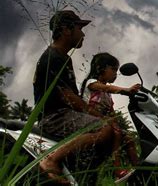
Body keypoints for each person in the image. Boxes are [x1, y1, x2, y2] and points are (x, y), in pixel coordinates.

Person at [33, 10, 117, 184]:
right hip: (54, 117)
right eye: (80, 28)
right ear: (66, 30)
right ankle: (51, 160)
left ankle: (81, 176)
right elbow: (68, 97)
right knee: (104, 128)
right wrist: (99, 116)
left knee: (111, 135)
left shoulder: (63, 58)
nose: (83, 34)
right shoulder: (53, 57)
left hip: (64, 115)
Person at [80, 52, 140, 178]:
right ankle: (116, 169)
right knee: (117, 132)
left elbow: (111, 111)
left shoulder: (107, 94)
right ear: (102, 68)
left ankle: (138, 168)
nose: (115, 73)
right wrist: (126, 90)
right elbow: (105, 88)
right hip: (88, 120)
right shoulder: (91, 82)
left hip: (103, 122)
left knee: (128, 138)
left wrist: (115, 121)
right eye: (113, 69)